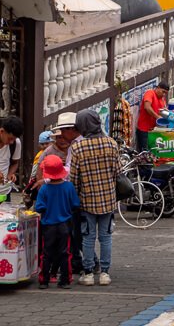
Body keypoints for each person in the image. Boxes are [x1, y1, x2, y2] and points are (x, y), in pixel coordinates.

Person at [70, 109, 119, 286]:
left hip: (87, 200)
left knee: (88, 237)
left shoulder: (77, 147)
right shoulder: (111, 144)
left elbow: (74, 179)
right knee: (106, 237)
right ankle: (105, 273)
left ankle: (89, 273)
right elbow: (117, 172)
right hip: (108, 199)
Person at [35, 155, 81, 289]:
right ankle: (65, 279)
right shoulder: (69, 187)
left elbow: (39, 207)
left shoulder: (44, 189)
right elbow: (75, 204)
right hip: (65, 225)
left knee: (46, 253)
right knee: (65, 253)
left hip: (48, 225)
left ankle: (44, 280)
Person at [136, 80, 169, 151]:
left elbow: (163, 112)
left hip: (154, 131)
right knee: (144, 153)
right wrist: (157, 117)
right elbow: (147, 107)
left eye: (165, 93)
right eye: (163, 92)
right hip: (144, 130)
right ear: (158, 88)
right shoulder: (150, 93)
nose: (164, 95)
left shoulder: (162, 100)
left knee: (153, 153)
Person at [0, 115, 23, 196]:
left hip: (4, 192)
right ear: (2, 131)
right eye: (10, 138)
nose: (11, 142)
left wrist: (10, 174)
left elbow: (15, 163)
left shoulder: (16, 143)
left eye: (14, 139)